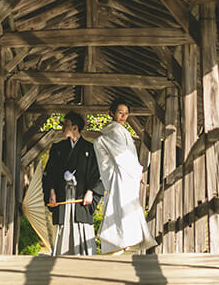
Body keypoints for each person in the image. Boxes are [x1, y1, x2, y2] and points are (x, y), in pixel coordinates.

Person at [94, 100, 155, 253]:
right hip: (121, 174)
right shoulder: (114, 131)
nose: (123, 116)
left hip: (126, 174)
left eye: (126, 113)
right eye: (120, 112)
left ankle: (123, 242)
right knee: (122, 206)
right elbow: (121, 155)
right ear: (112, 113)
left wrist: (135, 170)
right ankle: (122, 241)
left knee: (123, 207)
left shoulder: (118, 130)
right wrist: (138, 170)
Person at [42, 111, 104, 255]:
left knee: (80, 225)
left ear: (75, 128)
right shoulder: (57, 148)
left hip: (81, 195)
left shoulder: (90, 148)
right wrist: (51, 191)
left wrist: (91, 191)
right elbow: (49, 173)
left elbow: (98, 174)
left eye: (66, 125)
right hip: (62, 194)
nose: (63, 128)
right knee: (62, 224)